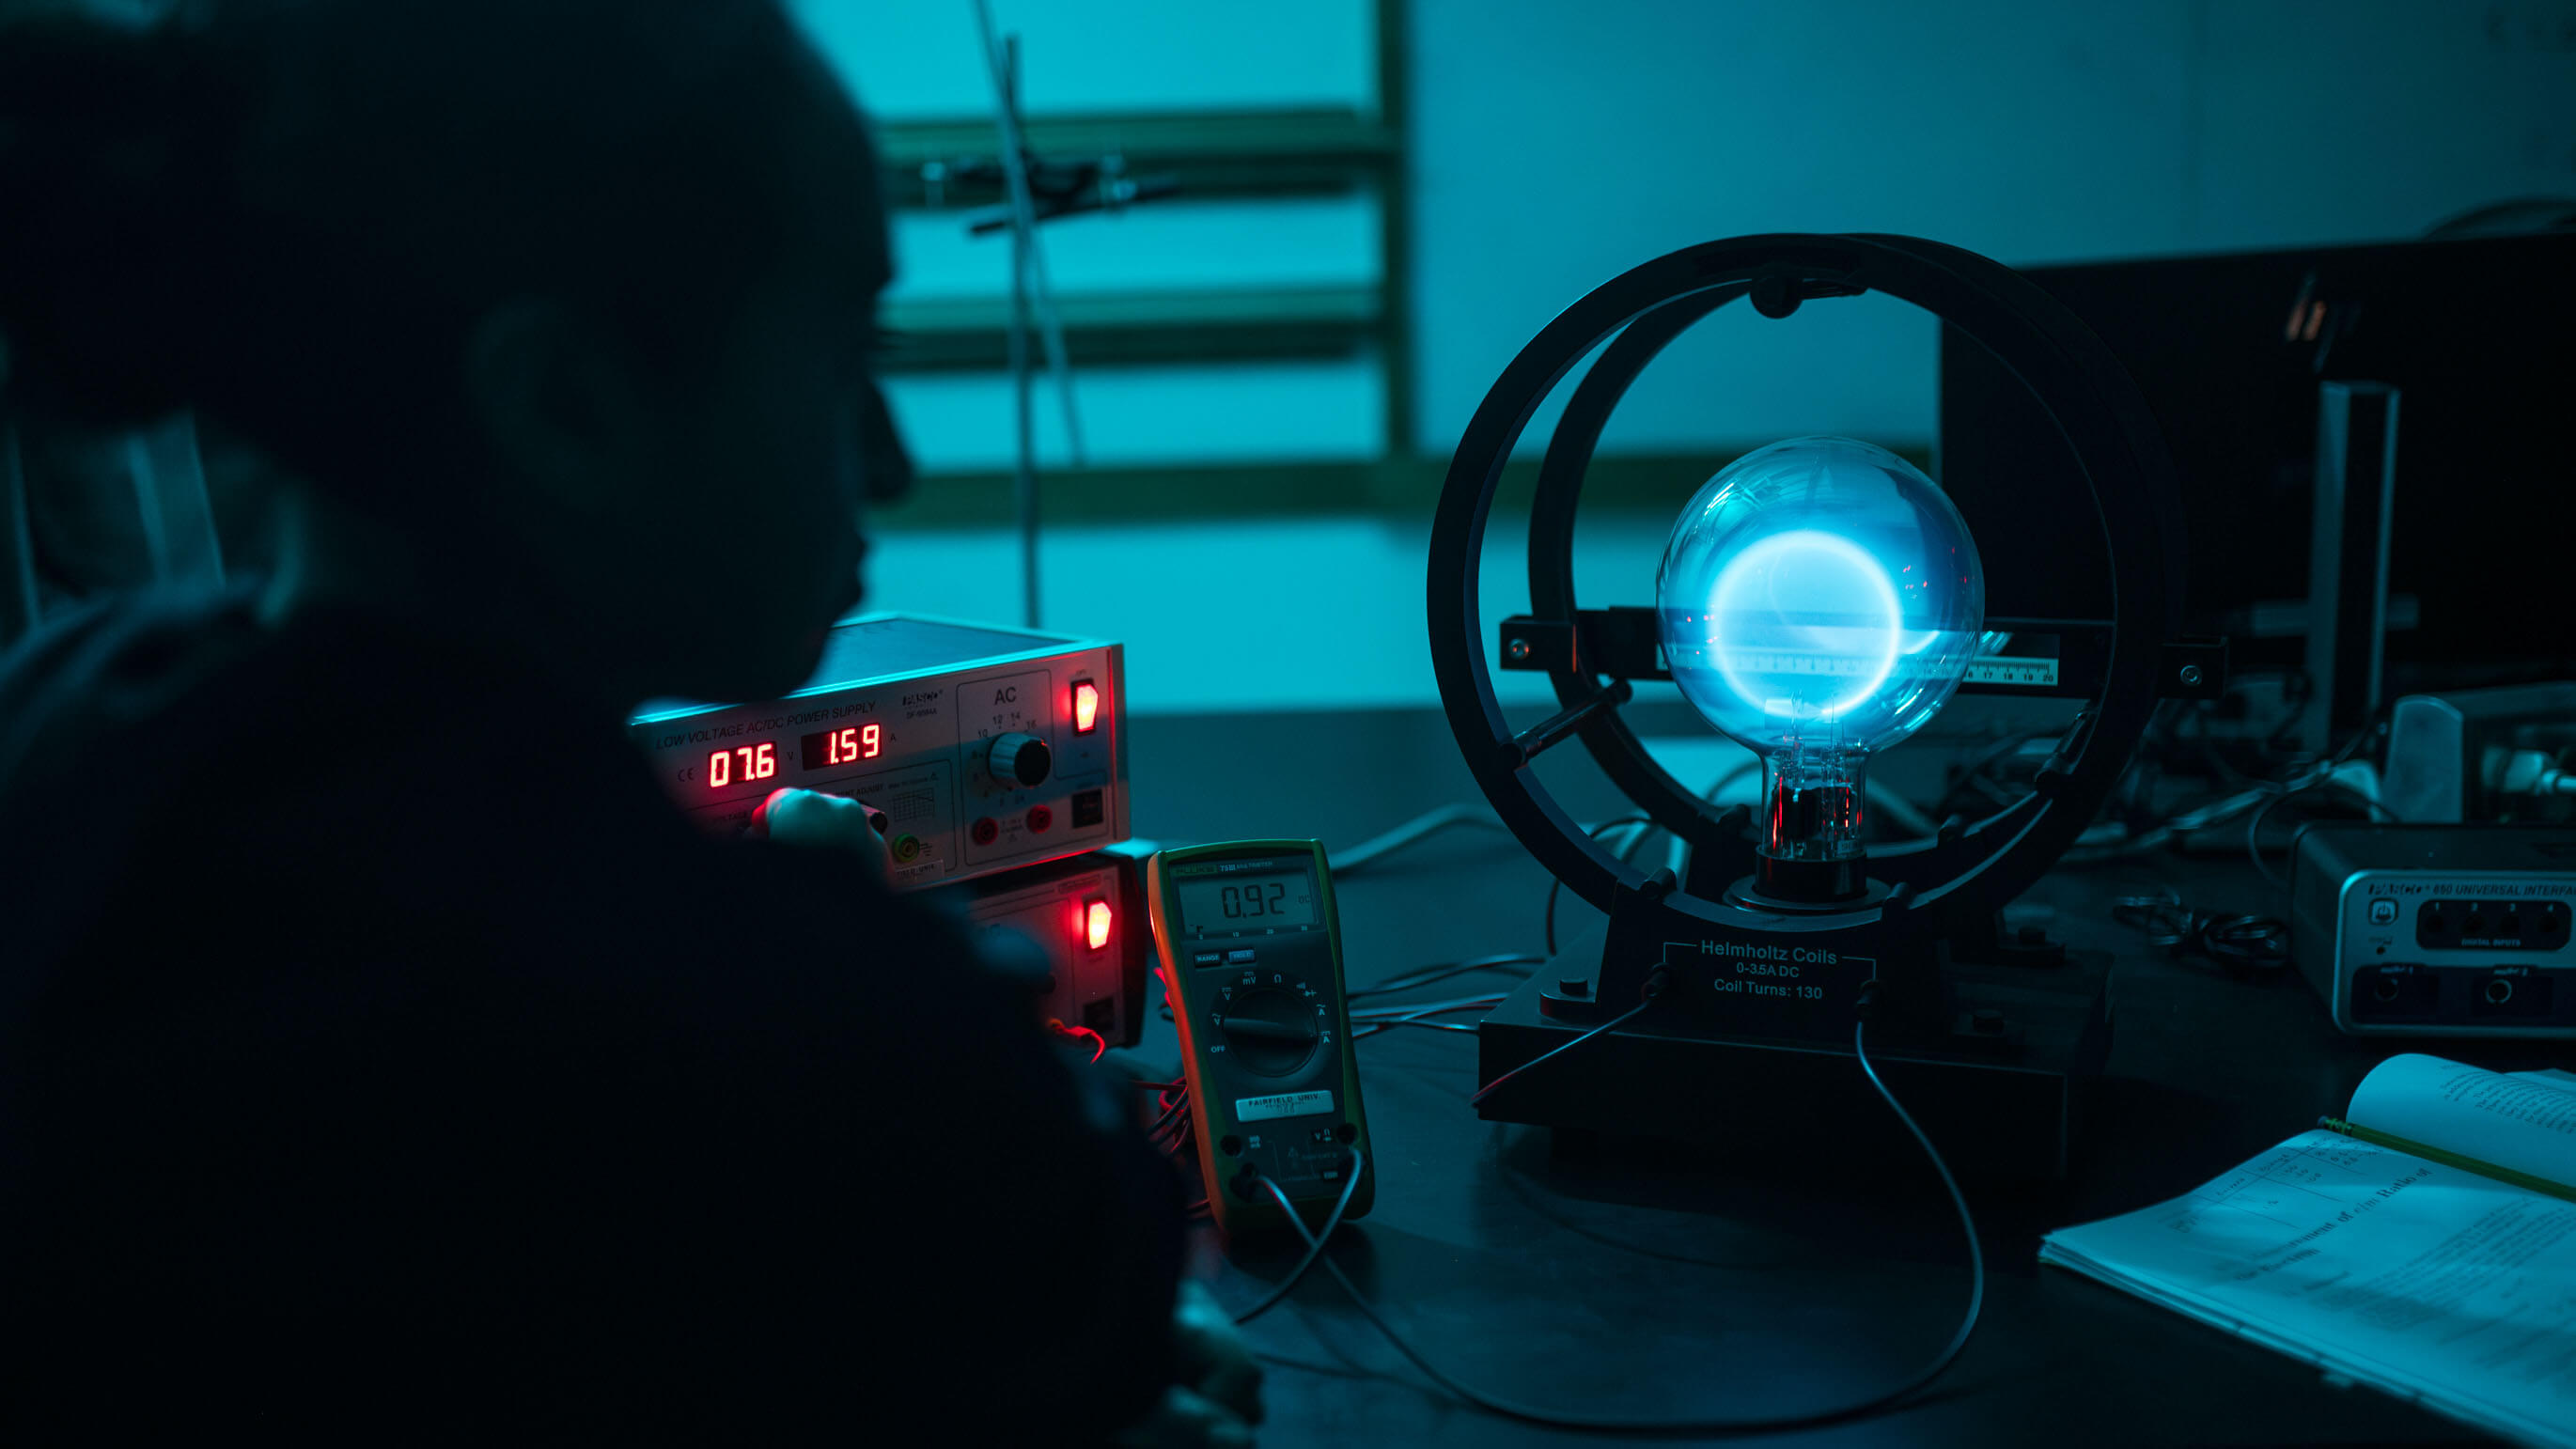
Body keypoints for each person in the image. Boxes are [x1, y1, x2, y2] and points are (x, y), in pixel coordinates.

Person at [0, 2, 1259, 1442]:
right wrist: (846, 941)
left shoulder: (57, 720)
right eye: (846, 354)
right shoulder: (793, 1028)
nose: (893, 462)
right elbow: (1068, 1268)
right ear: (568, 405)